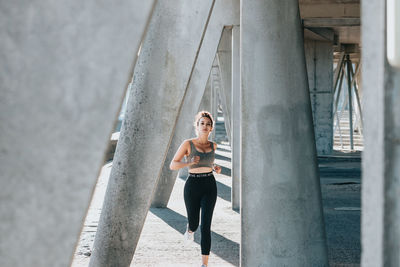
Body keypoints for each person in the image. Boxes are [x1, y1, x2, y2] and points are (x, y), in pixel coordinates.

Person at [170, 111, 221, 267]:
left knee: (206, 226)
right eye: (202, 123)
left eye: (208, 124)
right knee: (195, 222)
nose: (205, 126)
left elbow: (208, 163)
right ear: (197, 126)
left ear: (211, 128)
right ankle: (190, 229)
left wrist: (214, 167)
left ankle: (204, 264)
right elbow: (173, 165)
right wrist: (189, 163)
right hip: (192, 186)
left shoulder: (213, 145)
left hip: (209, 185)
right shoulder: (188, 144)